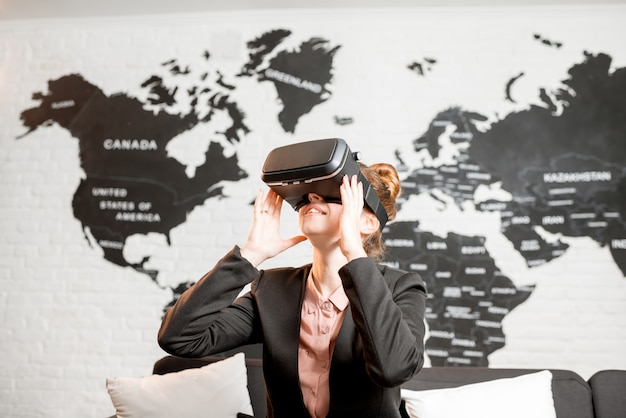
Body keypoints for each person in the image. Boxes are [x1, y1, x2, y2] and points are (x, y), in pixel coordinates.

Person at [158, 159, 427, 418]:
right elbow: (179, 338)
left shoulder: (400, 288)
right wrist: (250, 255)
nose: (312, 198)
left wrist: (355, 253)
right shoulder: (272, 289)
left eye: (332, 194)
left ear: (368, 222)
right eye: (308, 196)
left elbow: (395, 369)